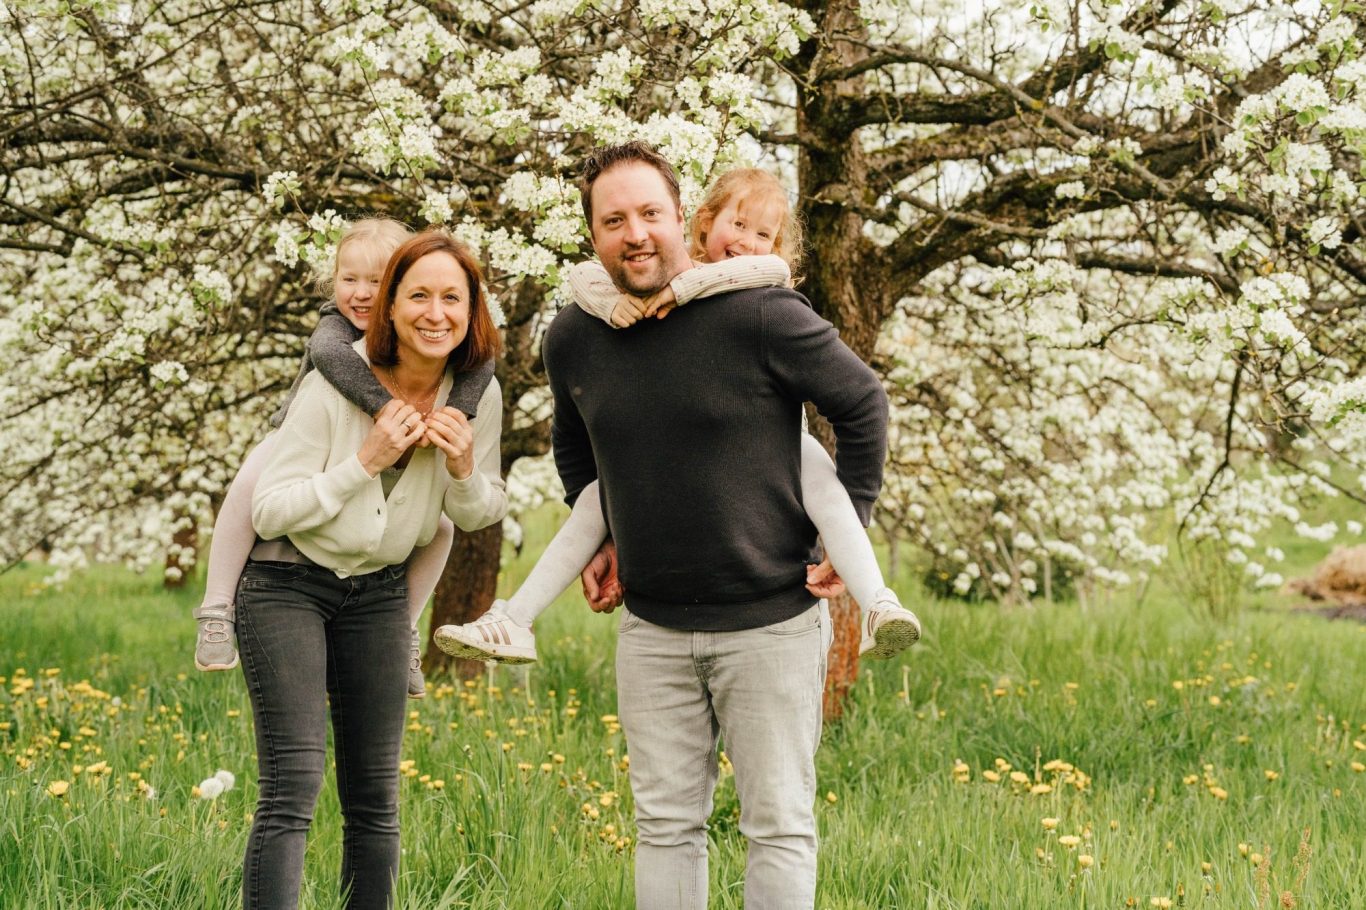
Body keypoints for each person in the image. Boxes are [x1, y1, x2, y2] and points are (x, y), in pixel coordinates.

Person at [544, 141, 887, 909]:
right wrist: (597, 533)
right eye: (613, 219)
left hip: (770, 624)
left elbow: (862, 404)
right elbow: (576, 441)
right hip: (652, 631)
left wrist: (846, 527)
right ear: (593, 234)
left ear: (678, 218)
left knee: (777, 825)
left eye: (648, 214)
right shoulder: (574, 335)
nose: (634, 233)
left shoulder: (760, 314)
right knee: (665, 826)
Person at [434, 167, 919, 665]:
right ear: (702, 225)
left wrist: (683, 291)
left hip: (779, 465)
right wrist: (608, 304)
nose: (748, 243)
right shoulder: (591, 321)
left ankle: (878, 603)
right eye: (739, 225)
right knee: (591, 506)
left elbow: (772, 282)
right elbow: (581, 280)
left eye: (764, 235)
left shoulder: (761, 295)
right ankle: (513, 618)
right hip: (652, 585)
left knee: (833, 499)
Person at [237, 230, 506, 909]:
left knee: (375, 799)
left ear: (472, 312)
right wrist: (366, 461)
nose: (435, 313)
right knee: (293, 788)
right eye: (418, 295)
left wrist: (463, 469)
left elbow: (477, 513)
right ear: (388, 307)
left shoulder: (477, 396)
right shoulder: (334, 383)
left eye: (452, 298)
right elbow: (268, 512)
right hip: (286, 587)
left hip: (380, 597)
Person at [192, 217, 495, 699]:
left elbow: (481, 364)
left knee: (439, 528)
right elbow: (335, 364)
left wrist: (453, 418)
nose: (360, 293)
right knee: (250, 485)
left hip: (386, 457)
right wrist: (390, 411)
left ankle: (406, 631)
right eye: (348, 279)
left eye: (376, 282)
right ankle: (215, 609)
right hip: (301, 439)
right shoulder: (333, 331)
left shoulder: (432, 342)